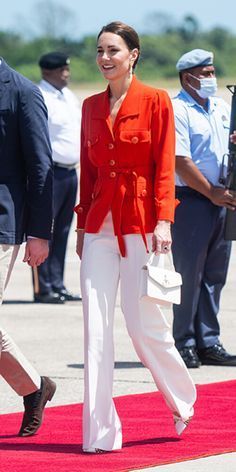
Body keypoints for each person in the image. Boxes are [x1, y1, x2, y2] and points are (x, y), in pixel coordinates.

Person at [74, 21, 196, 453]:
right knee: (95, 329)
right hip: (99, 227)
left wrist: (164, 222)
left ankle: (183, 401)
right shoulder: (89, 106)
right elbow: (87, 172)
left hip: (142, 224)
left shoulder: (156, 101)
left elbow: (164, 167)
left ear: (133, 55)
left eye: (113, 51)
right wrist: (82, 227)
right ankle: (100, 434)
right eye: (100, 51)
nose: (105, 58)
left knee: (143, 325)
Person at [0, 57, 56, 435]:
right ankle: (35, 387)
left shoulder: (23, 92)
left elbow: (40, 166)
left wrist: (40, 232)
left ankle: (34, 388)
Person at [171, 49, 236, 368]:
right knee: (189, 275)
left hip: (222, 200)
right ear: (188, 77)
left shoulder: (222, 108)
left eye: (213, 72)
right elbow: (180, 160)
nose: (211, 78)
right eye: (206, 73)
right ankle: (183, 341)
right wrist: (211, 192)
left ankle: (208, 340)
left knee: (214, 274)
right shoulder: (177, 109)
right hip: (193, 200)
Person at [32, 52, 82, 304]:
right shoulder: (40, 96)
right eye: (62, 70)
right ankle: (43, 286)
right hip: (50, 172)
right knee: (43, 230)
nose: (67, 73)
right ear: (47, 72)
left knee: (62, 229)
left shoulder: (68, 97)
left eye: (67, 69)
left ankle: (58, 282)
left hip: (70, 171)